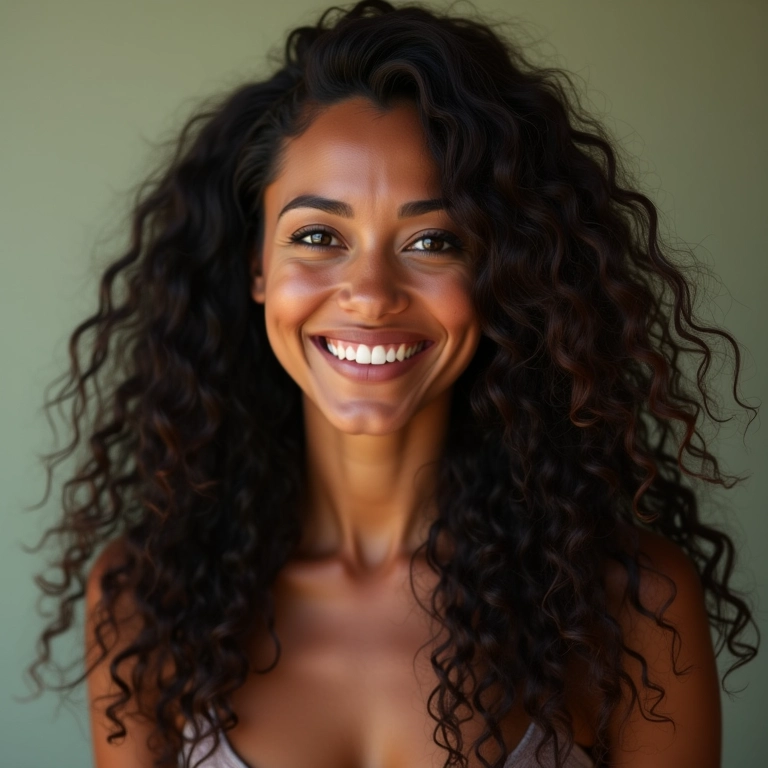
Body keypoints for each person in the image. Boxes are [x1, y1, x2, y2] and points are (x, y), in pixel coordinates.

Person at [25, 1, 758, 767]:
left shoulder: (631, 609)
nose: (370, 293)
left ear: (500, 275)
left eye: (434, 240)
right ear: (256, 266)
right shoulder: (145, 603)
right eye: (318, 236)